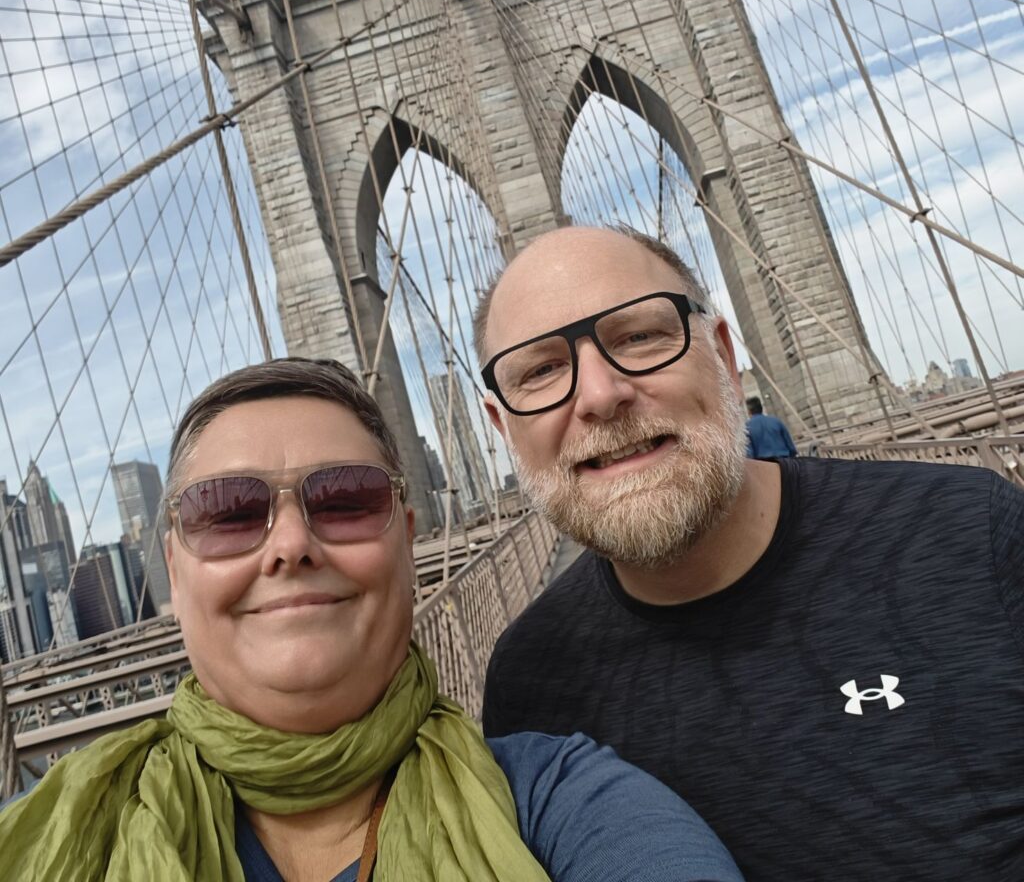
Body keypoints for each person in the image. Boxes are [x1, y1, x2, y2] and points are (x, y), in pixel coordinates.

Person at [0, 357, 744, 882]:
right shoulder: (50, 829)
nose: (290, 545)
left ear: (407, 538)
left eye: (347, 500)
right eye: (227, 513)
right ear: (173, 563)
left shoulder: (563, 805)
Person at [474, 224, 1024, 882]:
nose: (599, 395)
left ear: (723, 356)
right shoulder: (530, 681)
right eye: (540, 371)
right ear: (504, 429)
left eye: (640, 336)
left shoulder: (972, 531)